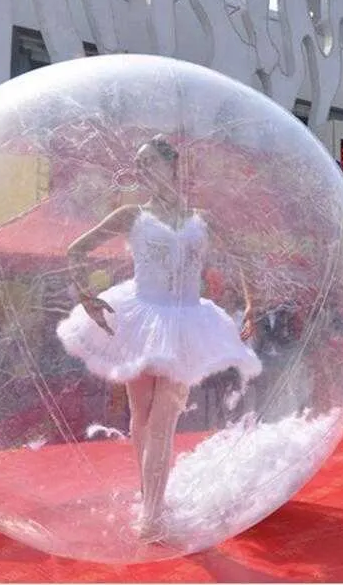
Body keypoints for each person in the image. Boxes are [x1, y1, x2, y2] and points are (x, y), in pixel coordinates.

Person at [56, 135, 263, 540]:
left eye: (148, 161)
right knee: (142, 416)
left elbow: (244, 258)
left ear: (172, 166)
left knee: (164, 418)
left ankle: (151, 515)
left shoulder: (203, 219)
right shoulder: (132, 214)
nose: (141, 170)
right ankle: (151, 495)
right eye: (138, 163)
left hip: (187, 321)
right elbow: (75, 250)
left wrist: (253, 303)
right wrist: (86, 298)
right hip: (139, 316)